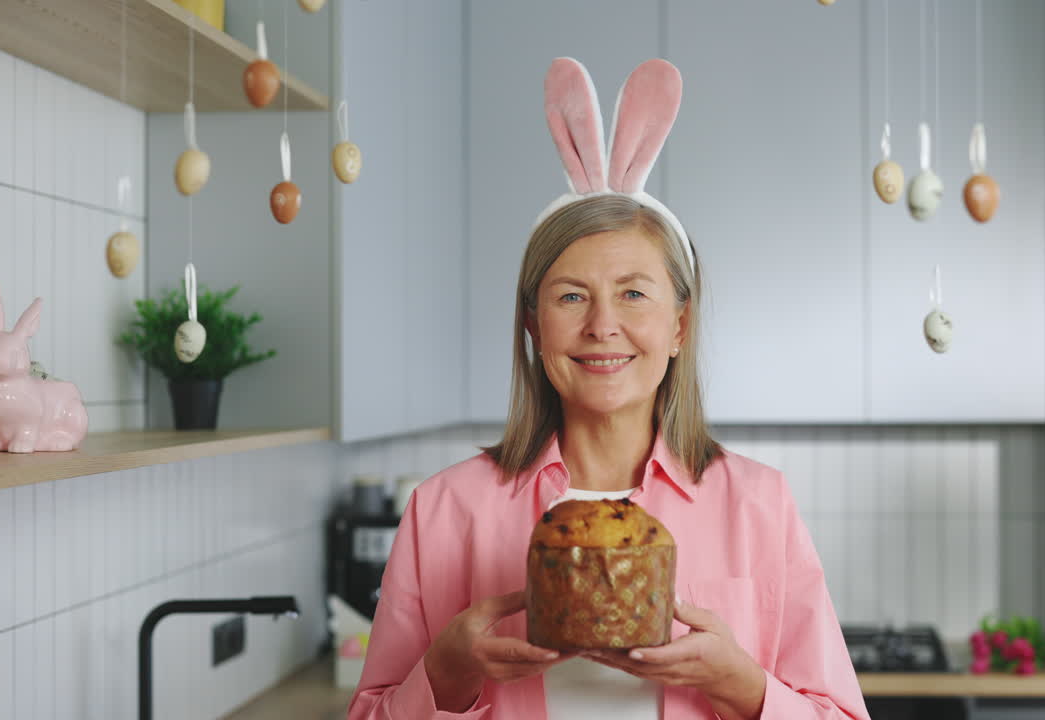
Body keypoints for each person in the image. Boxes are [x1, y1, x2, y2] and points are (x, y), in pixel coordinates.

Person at [347, 58, 870, 720]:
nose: (602, 326)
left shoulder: (759, 505)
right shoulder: (444, 511)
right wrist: (446, 671)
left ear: (679, 325)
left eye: (633, 294)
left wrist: (740, 683)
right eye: (571, 296)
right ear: (534, 325)